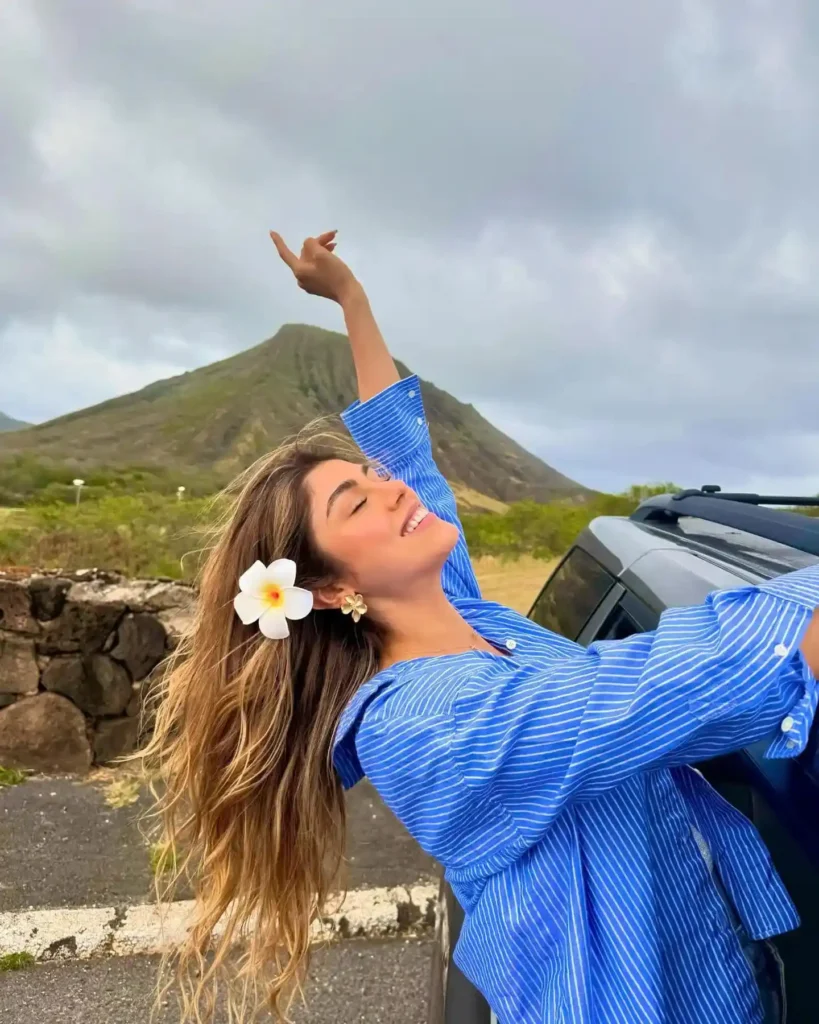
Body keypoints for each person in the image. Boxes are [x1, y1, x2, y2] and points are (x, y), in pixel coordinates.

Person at [143, 230, 819, 1024]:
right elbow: (643, 689)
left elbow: (404, 452)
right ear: (327, 589)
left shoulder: (462, 613)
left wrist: (347, 296)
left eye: (371, 479)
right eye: (356, 503)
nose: (390, 490)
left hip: (711, 971)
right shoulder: (421, 727)